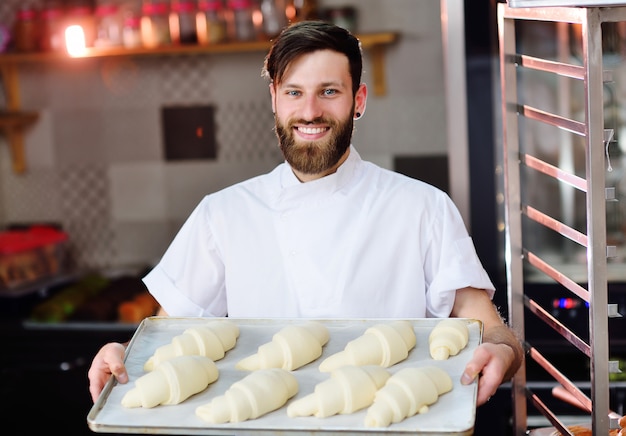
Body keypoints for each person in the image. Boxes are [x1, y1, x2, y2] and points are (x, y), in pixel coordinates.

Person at [88, 20, 523, 409]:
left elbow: (484, 323)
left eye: (329, 92)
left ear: (359, 100)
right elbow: (168, 333)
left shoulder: (421, 207)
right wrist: (124, 354)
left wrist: (503, 350)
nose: (310, 111)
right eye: (295, 92)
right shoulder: (223, 214)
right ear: (274, 99)